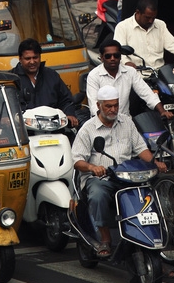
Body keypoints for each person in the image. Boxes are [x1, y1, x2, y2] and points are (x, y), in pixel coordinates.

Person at [71, 85, 168, 257]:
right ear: (98, 105)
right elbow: (77, 161)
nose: (113, 109)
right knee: (98, 195)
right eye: (108, 106)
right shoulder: (88, 129)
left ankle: (150, 239)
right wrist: (93, 168)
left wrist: (155, 162)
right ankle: (105, 239)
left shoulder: (127, 122)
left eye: (115, 105)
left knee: (150, 193)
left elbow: (140, 149)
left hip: (128, 176)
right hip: (101, 179)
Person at [86, 39, 174, 119]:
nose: (112, 59)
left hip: (125, 122)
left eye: (116, 55)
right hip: (102, 122)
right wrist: (106, 122)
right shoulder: (93, 76)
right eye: (108, 56)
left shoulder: (130, 72)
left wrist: (162, 111)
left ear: (120, 57)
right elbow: (94, 105)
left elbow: (146, 93)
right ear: (101, 58)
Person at [113, 0, 174, 72]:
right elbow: (118, 50)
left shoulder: (160, 25)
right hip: (136, 73)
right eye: (147, 17)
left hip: (159, 72)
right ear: (138, 12)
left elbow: (173, 44)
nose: (151, 21)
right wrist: (127, 63)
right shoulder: (122, 27)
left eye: (153, 18)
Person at [13, 38, 80, 128]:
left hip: (54, 127)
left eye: (35, 57)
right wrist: (5, 118)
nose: (32, 62)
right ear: (20, 59)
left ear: (40, 57)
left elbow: (66, 100)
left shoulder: (52, 75)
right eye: (28, 58)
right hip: (22, 131)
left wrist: (69, 113)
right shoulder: (11, 79)